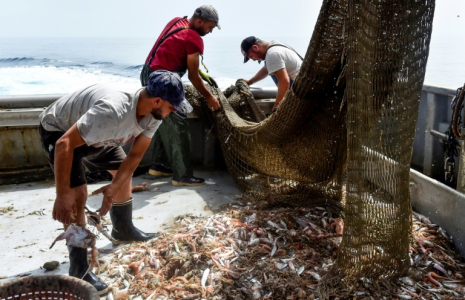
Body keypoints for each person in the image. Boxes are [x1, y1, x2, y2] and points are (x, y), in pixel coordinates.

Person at [39, 70, 189, 294]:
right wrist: (62, 195)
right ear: (157, 100)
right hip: (60, 130)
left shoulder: (153, 115)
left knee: (122, 173)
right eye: (172, 106)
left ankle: (123, 230)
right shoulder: (112, 113)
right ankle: (79, 268)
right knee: (77, 196)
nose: (174, 111)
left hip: (98, 136)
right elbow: (64, 144)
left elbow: (135, 156)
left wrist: (113, 188)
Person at [144, 5, 221, 186]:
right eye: (210, 27)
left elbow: (174, 50)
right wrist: (210, 97)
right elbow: (192, 77)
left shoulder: (178, 21)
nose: (210, 32)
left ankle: (159, 165)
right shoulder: (194, 38)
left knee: (163, 120)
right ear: (200, 22)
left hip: (148, 73)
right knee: (178, 122)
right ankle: (183, 176)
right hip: (163, 80)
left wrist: (200, 72)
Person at [240, 36, 303, 112]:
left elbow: (284, 82)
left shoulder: (272, 54)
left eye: (252, 56)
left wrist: (277, 106)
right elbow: (266, 69)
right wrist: (250, 82)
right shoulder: (274, 45)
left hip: (300, 95)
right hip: (302, 86)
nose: (253, 60)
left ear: (255, 47)